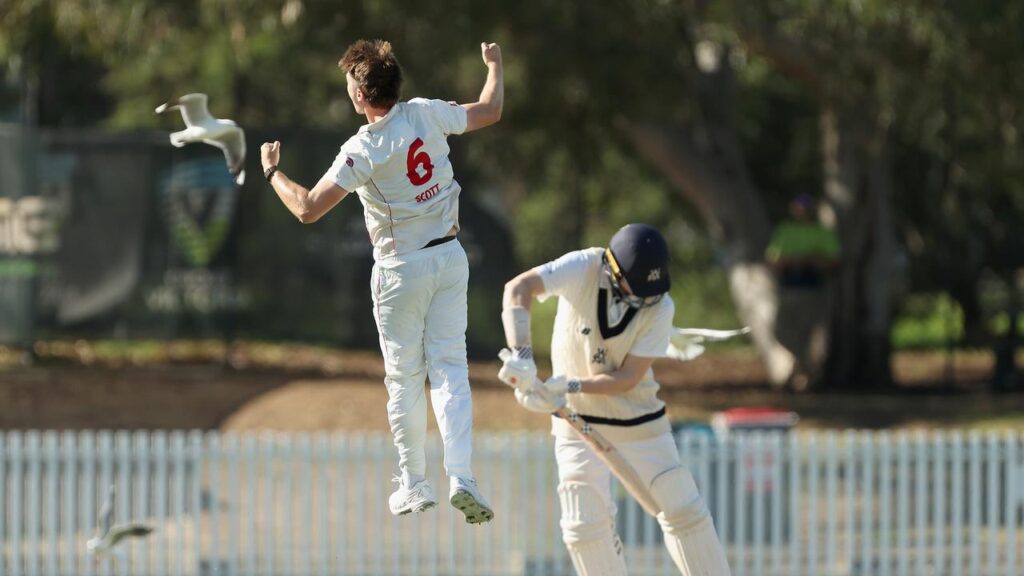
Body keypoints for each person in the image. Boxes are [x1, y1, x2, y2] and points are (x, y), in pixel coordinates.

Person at [260, 39, 503, 524]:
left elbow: (308, 208)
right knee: (451, 369)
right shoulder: (426, 113)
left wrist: (272, 174)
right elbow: (491, 109)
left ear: (359, 95)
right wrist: (494, 65)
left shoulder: (363, 148)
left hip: (400, 270)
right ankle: (463, 477)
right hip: (451, 258)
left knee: (405, 377)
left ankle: (414, 483)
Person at [499, 223, 731, 575]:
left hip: (637, 416)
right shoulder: (583, 266)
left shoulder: (660, 307)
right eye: (633, 288)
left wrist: (568, 386)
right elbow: (520, 287)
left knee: (682, 508)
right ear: (612, 268)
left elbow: (627, 378)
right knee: (583, 522)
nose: (641, 300)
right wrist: (522, 356)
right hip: (575, 421)